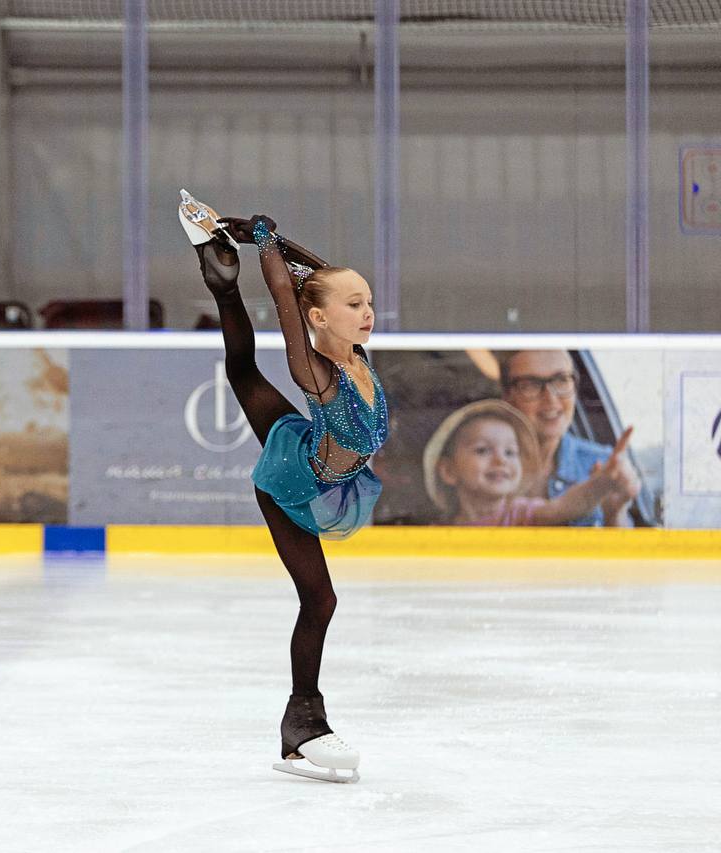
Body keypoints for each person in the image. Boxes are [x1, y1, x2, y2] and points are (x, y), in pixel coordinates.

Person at [179, 190, 385, 784]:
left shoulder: (355, 355)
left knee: (243, 376)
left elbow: (318, 282)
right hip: (294, 482)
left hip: (308, 447)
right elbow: (289, 298)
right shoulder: (315, 372)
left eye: (368, 300)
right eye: (355, 304)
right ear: (319, 320)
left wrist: (264, 234)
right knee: (321, 600)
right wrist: (268, 244)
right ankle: (303, 723)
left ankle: (218, 277)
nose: (367, 310)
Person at [423, 399, 628, 525]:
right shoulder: (439, 530)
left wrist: (601, 484)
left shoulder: (519, 513)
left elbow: (566, 506)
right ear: (449, 471)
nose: (500, 460)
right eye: (483, 450)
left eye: (511, 452)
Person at [499, 350, 639, 526]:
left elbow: (623, 551)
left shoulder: (603, 464)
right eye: (530, 385)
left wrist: (615, 514)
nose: (550, 398)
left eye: (561, 380)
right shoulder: (482, 467)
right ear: (507, 399)